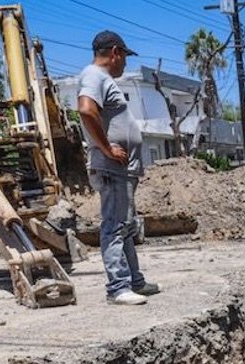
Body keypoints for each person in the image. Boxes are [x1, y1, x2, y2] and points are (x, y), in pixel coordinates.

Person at [77, 30, 161, 305]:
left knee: (125, 225)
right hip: (111, 168)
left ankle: (134, 281)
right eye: (124, 56)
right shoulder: (94, 75)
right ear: (115, 52)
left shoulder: (102, 79)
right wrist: (107, 148)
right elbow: (86, 110)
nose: (125, 63)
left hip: (122, 170)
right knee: (114, 225)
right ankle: (117, 287)